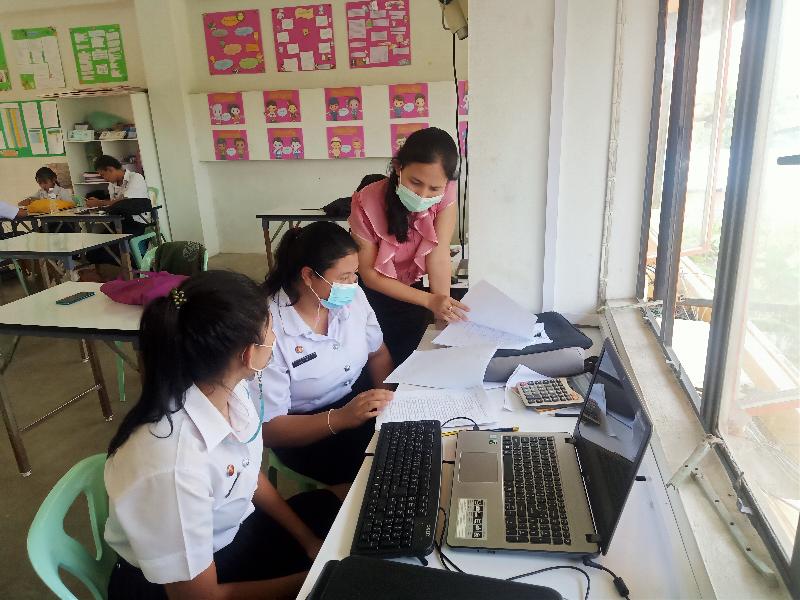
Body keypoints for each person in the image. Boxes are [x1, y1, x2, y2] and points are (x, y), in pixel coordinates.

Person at [104, 271, 341, 600]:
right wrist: (317, 582)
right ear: (248, 354)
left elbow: (246, 474)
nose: (276, 336)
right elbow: (200, 597)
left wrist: (307, 539)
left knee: (344, 510)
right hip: (175, 589)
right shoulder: (175, 466)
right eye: (270, 329)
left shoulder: (229, 388)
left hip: (233, 534)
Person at [258, 222, 394, 493]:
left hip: (358, 404)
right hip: (305, 430)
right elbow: (269, 429)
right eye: (344, 277)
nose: (353, 284)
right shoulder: (267, 327)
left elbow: (378, 354)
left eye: (355, 274)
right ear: (309, 275)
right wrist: (341, 418)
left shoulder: (351, 297)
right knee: (379, 480)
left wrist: (390, 410)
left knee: (406, 451)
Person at [349, 126, 469, 365]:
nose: (423, 195)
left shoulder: (447, 194)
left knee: (410, 357)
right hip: (372, 295)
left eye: (434, 189)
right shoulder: (365, 202)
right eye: (415, 182)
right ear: (398, 167)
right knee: (375, 359)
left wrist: (442, 313)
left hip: (413, 293)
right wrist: (430, 301)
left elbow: (438, 256)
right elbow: (370, 275)